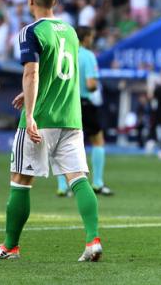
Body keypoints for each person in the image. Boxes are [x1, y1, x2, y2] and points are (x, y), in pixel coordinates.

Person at [0, 0, 101, 262]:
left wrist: (31, 112)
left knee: (21, 180)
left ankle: (10, 247)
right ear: (55, 2)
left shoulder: (30, 31)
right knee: (78, 178)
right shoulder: (71, 32)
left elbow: (32, 73)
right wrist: (29, 94)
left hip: (41, 118)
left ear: (30, 1)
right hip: (71, 117)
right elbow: (60, 74)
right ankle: (92, 240)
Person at [57, 26, 113, 197]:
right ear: (86, 38)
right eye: (91, 36)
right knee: (97, 140)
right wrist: (96, 85)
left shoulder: (64, 53)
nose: (92, 40)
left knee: (62, 144)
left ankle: (62, 187)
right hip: (83, 103)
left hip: (64, 103)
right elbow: (90, 84)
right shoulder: (88, 56)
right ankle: (97, 183)